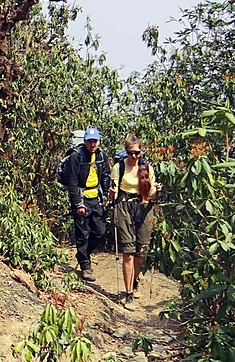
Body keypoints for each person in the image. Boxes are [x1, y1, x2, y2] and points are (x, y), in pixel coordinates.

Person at [108, 136, 162, 310]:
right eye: (131, 153)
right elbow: (113, 191)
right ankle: (128, 292)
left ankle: (135, 279)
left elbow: (151, 194)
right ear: (126, 152)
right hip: (124, 207)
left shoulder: (147, 168)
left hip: (144, 207)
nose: (134, 156)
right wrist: (111, 194)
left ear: (141, 152)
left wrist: (156, 191)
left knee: (141, 252)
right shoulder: (119, 167)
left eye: (137, 153)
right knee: (128, 252)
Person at [64, 127, 112, 282]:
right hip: (81, 197)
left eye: (95, 141)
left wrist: (107, 193)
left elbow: (105, 175)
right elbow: (71, 182)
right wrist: (78, 203)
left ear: (98, 141)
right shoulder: (76, 156)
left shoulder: (101, 155)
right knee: (82, 232)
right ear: (84, 141)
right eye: (90, 141)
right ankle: (86, 266)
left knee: (100, 231)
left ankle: (82, 254)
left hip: (95, 198)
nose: (92, 144)